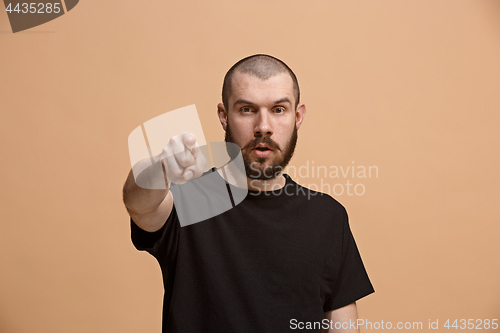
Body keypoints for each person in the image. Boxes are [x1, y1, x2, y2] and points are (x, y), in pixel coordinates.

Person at [122, 54, 374, 332]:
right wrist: (161, 168)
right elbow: (138, 204)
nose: (263, 126)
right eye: (246, 109)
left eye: (278, 109)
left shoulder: (328, 216)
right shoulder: (187, 200)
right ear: (223, 116)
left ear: (297, 116)